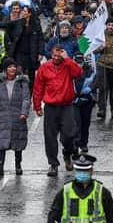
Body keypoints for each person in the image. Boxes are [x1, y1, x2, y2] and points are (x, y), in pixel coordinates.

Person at [33, 44, 83, 177]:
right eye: (54, 55)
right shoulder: (44, 67)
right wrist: (37, 106)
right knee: (50, 137)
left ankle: (68, 153)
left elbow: (78, 73)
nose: (55, 58)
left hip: (66, 105)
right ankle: (53, 164)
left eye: (58, 56)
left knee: (69, 134)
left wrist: (67, 59)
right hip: (51, 107)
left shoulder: (68, 65)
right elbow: (38, 87)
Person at [0, 58, 31, 176]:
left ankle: (18, 165)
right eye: (9, 67)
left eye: (14, 66)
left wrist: (24, 112)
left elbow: (26, 98)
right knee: (1, 142)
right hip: (3, 116)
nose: (12, 69)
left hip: (18, 116)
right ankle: (0, 166)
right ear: (5, 69)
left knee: (18, 142)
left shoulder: (22, 82)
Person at [73, 52, 96, 154]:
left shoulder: (90, 70)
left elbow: (95, 82)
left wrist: (90, 90)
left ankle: (84, 144)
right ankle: (76, 143)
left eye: (80, 61)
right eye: (77, 61)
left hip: (87, 100)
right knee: (76, 123)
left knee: (85, 124)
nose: (79, 63)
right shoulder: (69, 69)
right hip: (74, 101)